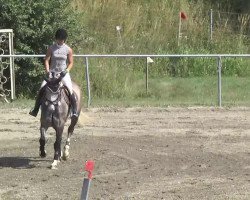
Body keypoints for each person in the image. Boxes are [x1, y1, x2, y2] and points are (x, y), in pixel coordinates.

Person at [29, 28, 78, 118]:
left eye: (62, 39)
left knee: (70, 90)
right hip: (52, 73)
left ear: (64, 39)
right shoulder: (51, 48)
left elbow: (71, 62)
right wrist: (48, 71)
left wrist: (66, 71)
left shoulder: (68, 49)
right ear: (56, 38)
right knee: (41, 88)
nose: (60, 40)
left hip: (63, 73)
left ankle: (74, 111)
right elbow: (47, 60)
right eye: (59, 38)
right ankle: (35, 109)